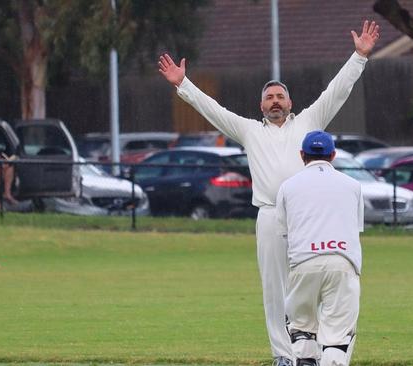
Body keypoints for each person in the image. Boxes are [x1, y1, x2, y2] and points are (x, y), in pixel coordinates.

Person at [158, 20, 379, 365]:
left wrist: (359, 57)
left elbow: (337, 91)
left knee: (313, 281)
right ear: (261, 105)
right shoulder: (249, 131)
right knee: (275, 288)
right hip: (270, 214)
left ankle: (316, 350)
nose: (275, 102)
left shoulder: (309, 121)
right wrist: (182, 84)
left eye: (280, 96)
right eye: (269, 98)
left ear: (290, 102)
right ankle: (283, 354)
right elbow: (213, 111)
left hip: (307, 215)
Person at [275, 131, 363, 366]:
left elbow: (284, 233)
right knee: (336, 338)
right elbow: (355, 228)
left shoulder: (287, 187)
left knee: (302, 330)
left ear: (302, 155)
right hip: (343, 262)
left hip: (303, 263)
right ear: (333, 155)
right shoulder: (353, 186)